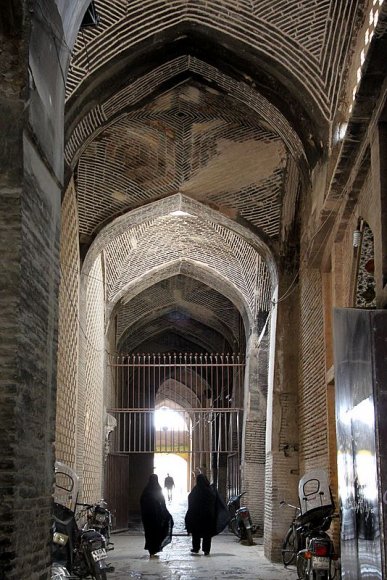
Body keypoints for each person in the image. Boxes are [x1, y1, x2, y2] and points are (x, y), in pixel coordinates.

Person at [140, 474, 174, 558]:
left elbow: (141, 502)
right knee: (157, 532)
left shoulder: (146, 490)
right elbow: (162, 503)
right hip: (157, 517)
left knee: (149, 533)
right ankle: (155, 548)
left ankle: (151, 550)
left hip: (147, 517)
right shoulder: (158, 489)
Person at [185, 473, 218, 555]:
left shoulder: (195, 491)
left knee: (196, 533)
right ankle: (206, 550)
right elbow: (215, 501)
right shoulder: (210, 490)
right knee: (207, 534)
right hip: (208, 516)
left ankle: (196, 548)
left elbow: (190, 500)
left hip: (196, 516)